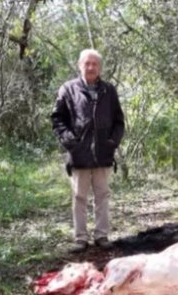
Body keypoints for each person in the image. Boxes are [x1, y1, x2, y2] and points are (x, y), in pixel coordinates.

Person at [51, 49, 125, 253]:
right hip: (79, 154)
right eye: (87, 63)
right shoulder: (68, 89)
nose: (91, 67)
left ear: (99, 67)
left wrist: (112, 141)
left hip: (103, 153)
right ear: (79, 65)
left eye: (95, 64)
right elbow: (57, 119)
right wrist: (70, 142)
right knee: (79, 197)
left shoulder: (108, 90)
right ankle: (80, 238)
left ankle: (102, 236)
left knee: (102, 195)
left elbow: (119, 121)